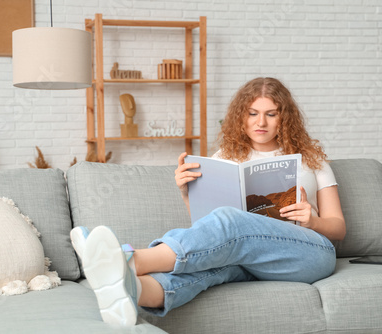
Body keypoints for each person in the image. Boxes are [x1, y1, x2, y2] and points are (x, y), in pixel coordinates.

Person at [71, 77, 346, 326]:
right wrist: (186, 192)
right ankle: (131, 290)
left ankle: (127, 259)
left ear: (284, 118)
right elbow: (207, 227)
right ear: (241, 117)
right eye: (252, 113)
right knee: (213, 266)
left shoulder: (311, 159)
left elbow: (339, 228)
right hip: (247, 258)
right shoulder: (224, 156)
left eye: (270, 114)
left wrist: (313, 220)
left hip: (307, 252)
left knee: (232, 221)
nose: (260, 123)